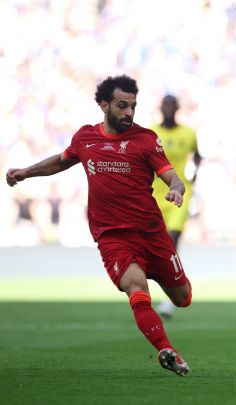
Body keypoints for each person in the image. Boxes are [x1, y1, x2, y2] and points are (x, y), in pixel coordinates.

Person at [6, 75, 193, 377]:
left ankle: (163, 296)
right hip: (112, 235)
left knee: (183, 298)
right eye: (122, 105)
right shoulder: (86, 138)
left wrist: (176, 190)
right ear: (104, 105)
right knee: (136, 287)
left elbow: (172, 176)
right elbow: (61, 160)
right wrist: (26, 172)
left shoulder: (146, 139)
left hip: (151, 232)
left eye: (133, 106)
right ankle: (166, 350)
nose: (129, 112)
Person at [151, 94, 201, 319]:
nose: (169, 109)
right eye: (166, 105)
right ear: (161, 108)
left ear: (177, 108)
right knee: (154, 244)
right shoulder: (151, 133)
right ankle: (158, 287)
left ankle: (169, 297)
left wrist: (194, 177)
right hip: (155, 194)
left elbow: (198, 156)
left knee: (171, 241)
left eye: (173, 105)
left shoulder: (188, 133)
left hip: (180, 193)